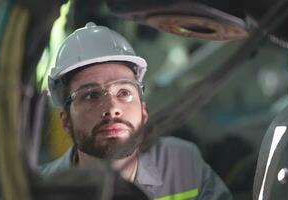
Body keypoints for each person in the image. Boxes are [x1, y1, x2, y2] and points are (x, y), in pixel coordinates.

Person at [40, 22, 232, 200]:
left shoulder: (183, 164)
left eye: (124, 92)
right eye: (91, 95)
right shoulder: (37, 189)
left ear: (143, 111)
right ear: (66, 121)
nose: (112, 108)